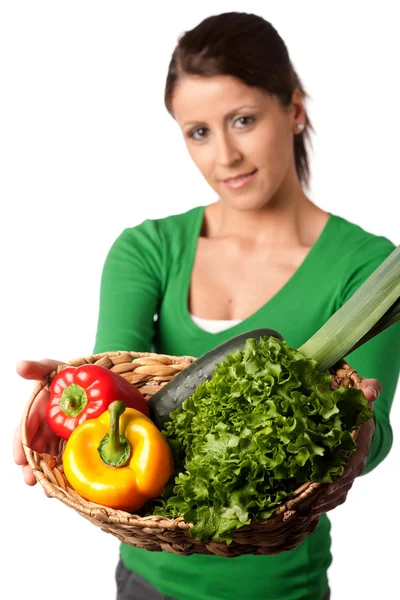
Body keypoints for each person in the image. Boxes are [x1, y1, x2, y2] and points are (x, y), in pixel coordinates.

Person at [13, 11, 400, 600]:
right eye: (198, 131)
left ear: (293, 109)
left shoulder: (369, 267)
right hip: (148, 579)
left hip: (283, 587)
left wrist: (357, 429)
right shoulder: (148, 250)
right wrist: (67, 398)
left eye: (243, 120)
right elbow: (121, 388)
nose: (225, 157)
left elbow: (371, 442)